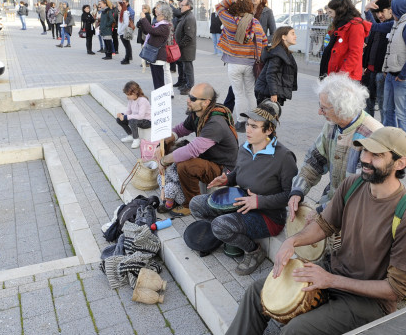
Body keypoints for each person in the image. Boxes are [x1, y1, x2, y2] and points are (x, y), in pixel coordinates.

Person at [226, 127, 406, 335]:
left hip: (369, 301)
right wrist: (291, 242)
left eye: (376, 155)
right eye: (365, 151)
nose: (366, 159)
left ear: (400, 163)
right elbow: (324, 225)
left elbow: (396, 289)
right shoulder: (353, 184)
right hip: (333, 271)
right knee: (256, 292)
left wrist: (331, 280)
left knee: (296, 330)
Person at [190, 102, 298, 275]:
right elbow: (238, 174)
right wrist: (227, 179)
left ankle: (254, 251)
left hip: (268, 216)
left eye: (254, 126)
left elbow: (290, 196)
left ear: (269, 130)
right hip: (241, 203)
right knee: (196, 204)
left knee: (220, 225)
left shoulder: (284, 157)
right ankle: (224, 235)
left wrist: (259, 201)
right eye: (248, 124)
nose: (248, 129)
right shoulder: (244, 148)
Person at [289, 74, 382, 220]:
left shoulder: (372, 135)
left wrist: (323, 209)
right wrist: (297, 190)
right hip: (333, 201)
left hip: (358, 212)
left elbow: (360, 191)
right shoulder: (332, 125)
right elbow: (314, 160)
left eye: (323, 108)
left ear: (341, 109)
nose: (319, 112)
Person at [156, 83, 238, 217]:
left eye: (193, 99)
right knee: (176, 150)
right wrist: (162, 144)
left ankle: (191, 204)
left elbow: (192, 150)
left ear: (206, 102)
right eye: (189, 96)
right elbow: (179, 130)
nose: (188, 100)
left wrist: (164, 160)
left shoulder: (215, 122)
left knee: (185, 165)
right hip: (208, 158)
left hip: (223, 168)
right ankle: (174, 193)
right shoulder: (198, 114)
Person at [365, 0, 406, 138]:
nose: (391, 12)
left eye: (392, 9)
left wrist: (403, 75)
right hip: (391, 75)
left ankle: (404, 148)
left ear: (398, 9)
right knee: (388, 109)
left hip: (402, 77)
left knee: (402, 113)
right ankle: (389, 141)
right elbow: (375, 27)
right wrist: (367, 10)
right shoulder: (397, 22)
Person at [216, 0, 267, 132]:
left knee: (238, 94)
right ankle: (255, 121)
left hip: (234, 63)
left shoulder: (230, 21)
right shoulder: (255, 23)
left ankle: (240, 122)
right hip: (250, 64)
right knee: (250, 92)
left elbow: (219, 7)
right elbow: (264, 41)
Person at [223, 0, 277, 113]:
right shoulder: (244, 10)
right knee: (237, 88)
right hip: (241, 56)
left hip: (257, 54)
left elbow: (273, 34)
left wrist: (258, 40)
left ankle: (251, 113)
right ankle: (227, 109)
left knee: (251, 87)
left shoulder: (267, 12)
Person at [320, 0, 371, 81]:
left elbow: (355, 53)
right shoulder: (341, 24)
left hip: (346, 77)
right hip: (336, 74)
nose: (330, 16)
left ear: (339, 11)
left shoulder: (355, 26)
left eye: (331, 12)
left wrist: (341, 75)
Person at [362, 0, 392, 121]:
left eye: (382, 11)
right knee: (368, 101)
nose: (380, 15)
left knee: (383, 104)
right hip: (370, 70)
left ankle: (384, 132)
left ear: (391, 10)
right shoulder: (379, 25)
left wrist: (367, 11)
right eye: (377, 12)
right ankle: (368, 128)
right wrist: (365, 65)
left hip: (382, 72)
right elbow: (369, 46)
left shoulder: (392, 26)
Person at [254, 26, 298, 106]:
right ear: (284, 37)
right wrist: (273, 93)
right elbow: (271, 74)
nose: (295, 36)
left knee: (268, 117)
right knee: (262, 117)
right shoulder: (277, 54)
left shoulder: (284, 52)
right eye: (292, 34)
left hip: (271, 92)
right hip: (267, 93)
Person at [137, 1, 173, 90]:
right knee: (156, 80)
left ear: (164, 15)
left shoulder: (164, 27)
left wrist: (144, 18)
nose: (157, 15)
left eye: (159, 14)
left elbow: (151, 31)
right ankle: (159, 98)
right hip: (155, 56)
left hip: (158, 56)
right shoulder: (159, 25)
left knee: (159, 82)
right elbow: (148, 31)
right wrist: (142, 21)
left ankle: (161, 100)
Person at [116, 81, 151, 149]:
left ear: (135, 92)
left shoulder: (142, 100)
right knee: (119, 119)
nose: (128, 96)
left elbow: (141, 116)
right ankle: (131, 135)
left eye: (129, 94)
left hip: (147, 121)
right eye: (127, 94)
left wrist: (126, 116)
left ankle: (136, 139)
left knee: (132, 120)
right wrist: (122, 115)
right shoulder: (130, 99)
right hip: (137, 119)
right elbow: (128, 111)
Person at [175, 0, 197, 95]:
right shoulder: (185, 16)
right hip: (184, 48)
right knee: (185, 68)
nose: (180, 7)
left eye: (182, 5)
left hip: (187, 49)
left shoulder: (189, 18)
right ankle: (187, 84)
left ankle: (190, 87)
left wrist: (179, 46)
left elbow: (189, 36)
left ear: (188, 6)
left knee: (188, 69)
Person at [137, 4, 152, 71]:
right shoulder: (143, 15)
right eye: (142, 8)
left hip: (144, 33)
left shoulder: (147, 16)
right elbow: (138, 24)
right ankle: (145, 61)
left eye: (144, 8)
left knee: (144, 47)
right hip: (142, 33)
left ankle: (146, 62)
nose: (143, 9)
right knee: (143, 47)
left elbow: (144, 24)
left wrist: (140, 24)